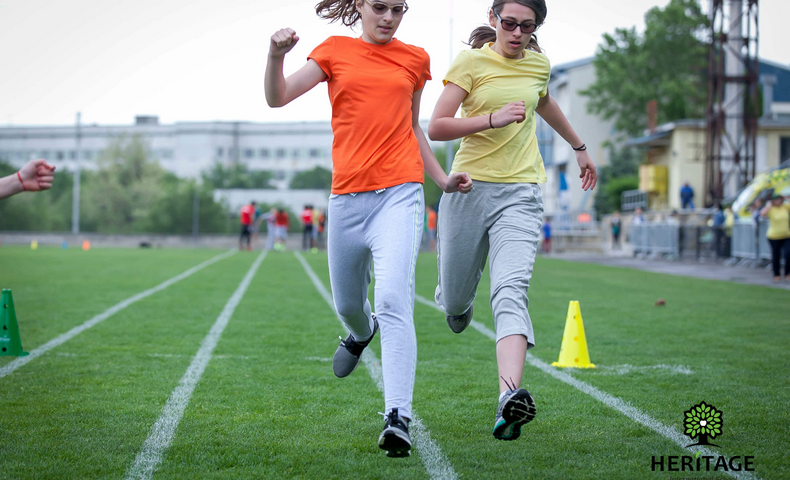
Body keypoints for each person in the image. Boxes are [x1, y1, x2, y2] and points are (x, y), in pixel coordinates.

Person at [264, 0, 473, 457]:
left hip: (400, 194)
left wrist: (440, 180)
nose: (390, 17)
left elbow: (412, 126)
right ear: (360, 5)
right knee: (348, 304)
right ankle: (360, 334)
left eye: (399, 9)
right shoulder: (333, 51)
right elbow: (277, 97)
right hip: (345, 201)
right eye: (380, 7)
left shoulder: (415, 59)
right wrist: (276, 55)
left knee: (394, 299)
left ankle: (398, 416)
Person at [428, 0, 597, 441]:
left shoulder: (538, 65)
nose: (517, 32)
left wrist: (579, 148)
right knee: (454, 301)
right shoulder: (469, 63)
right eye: (509, 24)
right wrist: (491, 118)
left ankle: (509, 397)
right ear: (493, 20)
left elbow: (544, 101)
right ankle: (456, 304)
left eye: (527, 25)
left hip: (521, 193)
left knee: (510, 289)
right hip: (467, 189)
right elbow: (437, 126)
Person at [760, 194, 790, 282]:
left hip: (786, 235)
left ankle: (787, 273)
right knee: (776, 255)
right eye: (776, 200)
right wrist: (769, 206)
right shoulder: (771, 209)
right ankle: (776, 274)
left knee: (788, 254)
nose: (778, 201)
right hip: (774, 236)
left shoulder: (785, 207)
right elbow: (762, 213)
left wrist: (785, 198)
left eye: (780, 200)